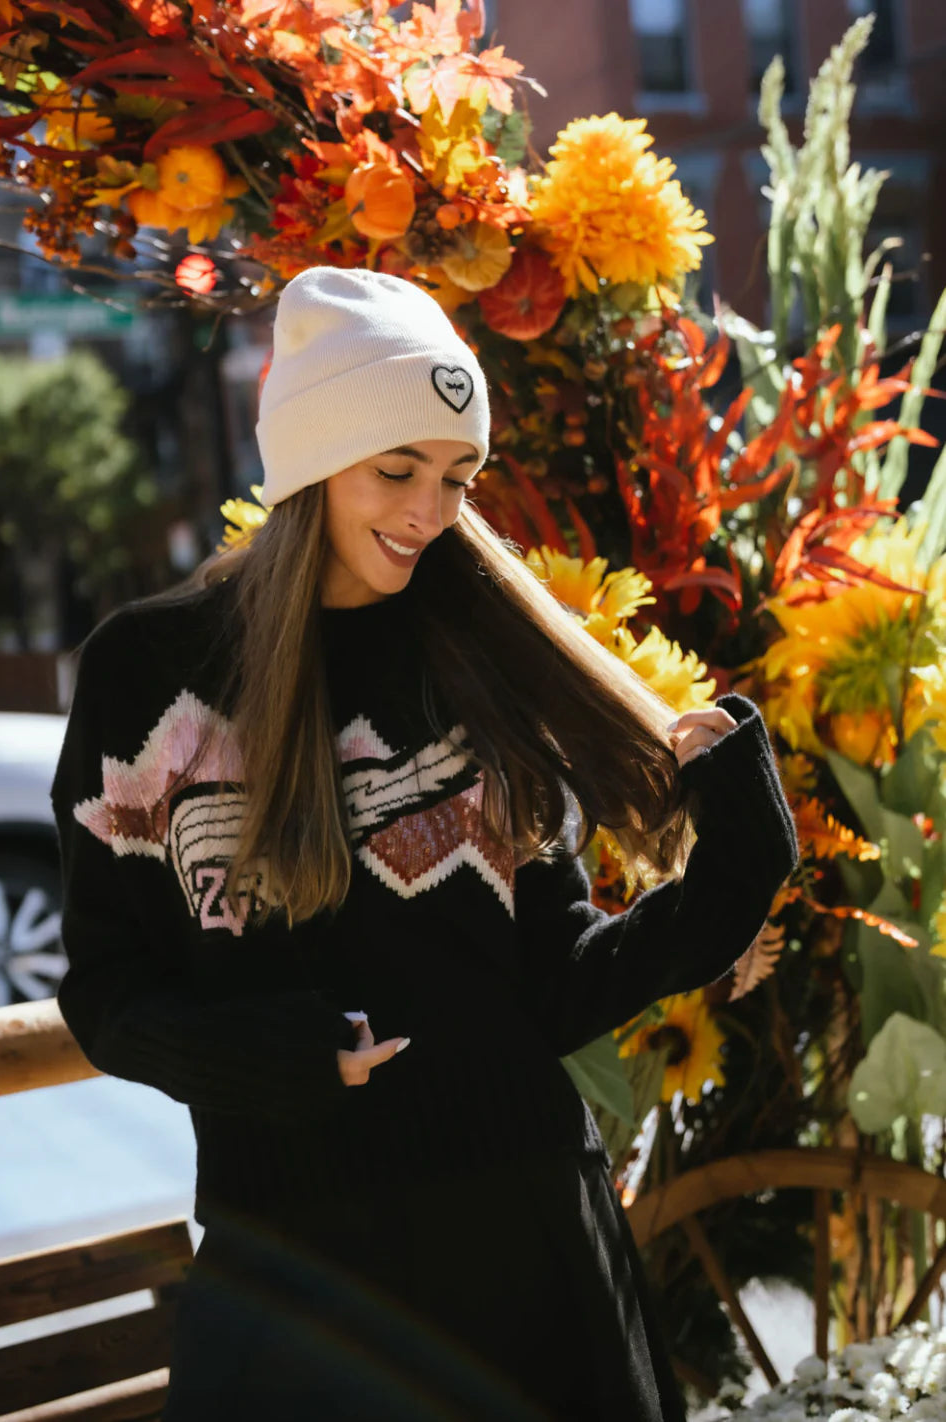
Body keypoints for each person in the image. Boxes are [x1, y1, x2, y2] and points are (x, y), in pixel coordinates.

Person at [50, 266, 800, 1422]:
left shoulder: (479, 662)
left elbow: (554, 988)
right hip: (295, 1275)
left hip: (531, 1248)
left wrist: (744, 857)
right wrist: (282, 1057)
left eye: (457, 478)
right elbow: (106, 993)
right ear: (306, 466)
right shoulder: (151, 678)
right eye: (396, 471)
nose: (430, 511)